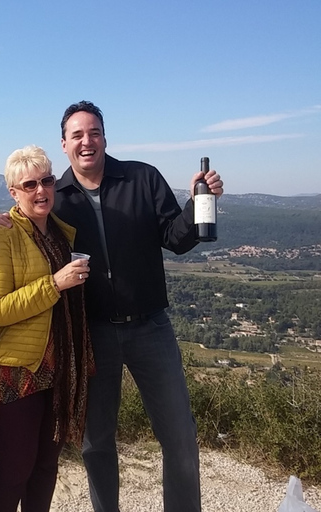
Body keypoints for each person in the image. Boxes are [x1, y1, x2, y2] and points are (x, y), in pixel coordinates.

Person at [57, 100, 224, 512]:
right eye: (77, 135)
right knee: (96, 441)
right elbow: (24, 229)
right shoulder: (54, 197)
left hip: (150, 327)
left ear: (104, 137)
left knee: (180, 435)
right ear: (64, 144)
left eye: (93, 132)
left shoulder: (142, 178)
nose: (86, 141)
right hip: (92, 331)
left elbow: (177, 238)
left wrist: (199, 201)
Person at [0, 145, 94, 512]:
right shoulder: (2, 236)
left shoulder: (60, 234)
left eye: (46, 181)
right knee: (15, 467)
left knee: (46, 466)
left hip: (57, 368)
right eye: (29, 184)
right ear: (13, 192)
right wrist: (55, 284)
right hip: (14, 370)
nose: (40, 190)